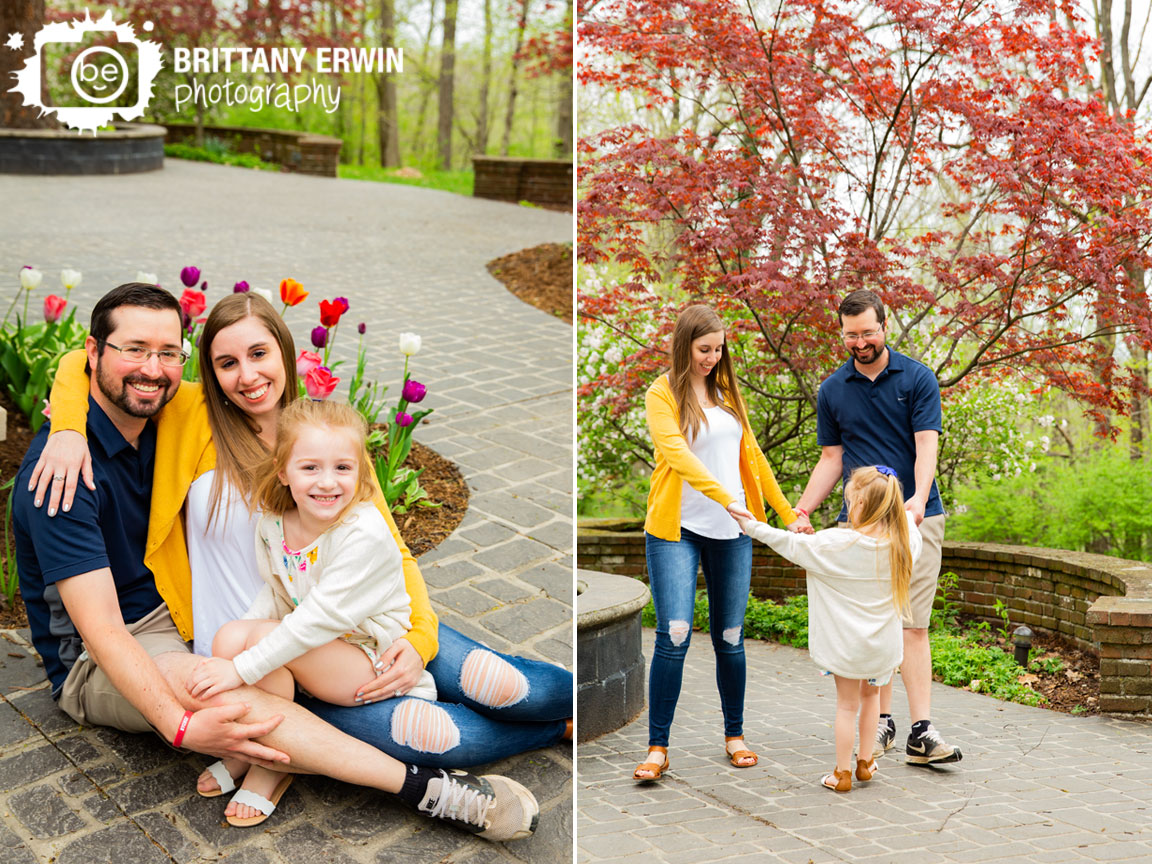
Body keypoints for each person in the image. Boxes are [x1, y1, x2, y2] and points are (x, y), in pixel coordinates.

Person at [14, 283, 542, 843]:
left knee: (500, 682)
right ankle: (430, 790)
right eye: (134, 350)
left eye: (168, 353)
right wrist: (184, 726)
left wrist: (420, 633)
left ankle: (556, 715)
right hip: (102, 651)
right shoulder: (60, 480)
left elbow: (75, 361)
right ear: (100, 354)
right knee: (286, 705)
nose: (153, 368)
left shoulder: (171, 414)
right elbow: (105, 634)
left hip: (277, 614)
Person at [186, 399, 439, 826]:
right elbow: (276, 590)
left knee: (246, 649)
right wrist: (231, 650)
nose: (327, 482)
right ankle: (249, 746)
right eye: (310, 468)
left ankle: (273, 764)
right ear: (283, 471)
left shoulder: (363, 532)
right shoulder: (274, 522)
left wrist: (240, 668)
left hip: (369, 660)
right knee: (230, 635)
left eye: (343, 467)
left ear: (361, 473)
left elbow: (317, 619)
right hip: (320, 649)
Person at [790, 288, 960, 764]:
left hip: (917, 518)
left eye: (868, 332)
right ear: (841, 332)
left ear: (884, 326)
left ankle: (920, 731)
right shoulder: (832, 390)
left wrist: (918, 501)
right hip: (858, 523)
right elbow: (831, 459)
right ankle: (880, 724)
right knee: (872, 624)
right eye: (851, 334)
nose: (860, 341)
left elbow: (927, 445)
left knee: (912, 625)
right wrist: (803, 509)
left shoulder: (918, 378)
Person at [634, 304, 799, 782]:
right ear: (684, 344)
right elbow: (678, 456)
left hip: (733, 532)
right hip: (676, 530)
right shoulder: (661, 393)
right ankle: (658, 747)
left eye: (719, 348)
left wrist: (788, 515)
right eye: (704, 349)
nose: (712, 357)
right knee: (675, 635)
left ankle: (735, 736)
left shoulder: (727, 393)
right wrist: (728, 498)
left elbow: (755, 457)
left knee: (730, 637)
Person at [736, 466, 921, 791]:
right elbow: (909, 522)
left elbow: (786, 542)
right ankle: (865, 762)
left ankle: (841, 773)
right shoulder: (903, 547)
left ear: (860, 505)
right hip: (882, 649)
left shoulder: (834, 544)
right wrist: (905, 510)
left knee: (846, 706)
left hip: (845, 648)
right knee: (872, 698)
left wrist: (749, 525)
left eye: (851, 500)